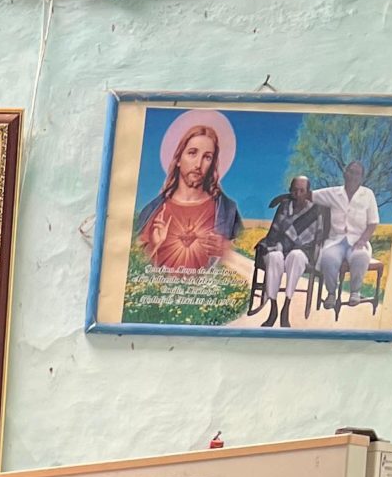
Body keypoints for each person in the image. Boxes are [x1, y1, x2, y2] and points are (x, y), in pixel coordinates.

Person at [135, 117, 241, 273]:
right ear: (178, 159)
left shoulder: (227, 211)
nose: (198, 165)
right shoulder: (152, 212)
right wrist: (155, 245)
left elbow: (244, 259)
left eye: (207, 157)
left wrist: (226, 250)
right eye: (192, 153)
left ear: (212, 164)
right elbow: (134, 266)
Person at [255, 176, 327, 327]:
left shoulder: (315, 210)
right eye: (295, 190)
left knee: (296, 256)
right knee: (274, 256)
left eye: (302, 190)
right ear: (290, 191)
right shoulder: (284, 206)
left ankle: (286, 306)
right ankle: (273, 308)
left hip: (302, 251)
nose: (298, 194)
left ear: (308, 192)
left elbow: (316, 238)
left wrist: (297, 245)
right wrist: (278, 246)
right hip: (281, 247)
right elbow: (274, 232)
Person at [314, 160, 381, 310]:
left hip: (358, 239)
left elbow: (373, 222)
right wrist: (290, 195)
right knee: (328, 257)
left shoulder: (367, 194)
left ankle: (355, 291)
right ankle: (331, 293)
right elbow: (311, 195)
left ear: (361, 177)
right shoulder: (334, 193)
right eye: (350, 172)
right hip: (336, 240)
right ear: (345, 174)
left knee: (361, 256)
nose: (353, 176)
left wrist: (363, 239)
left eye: (357, 173)